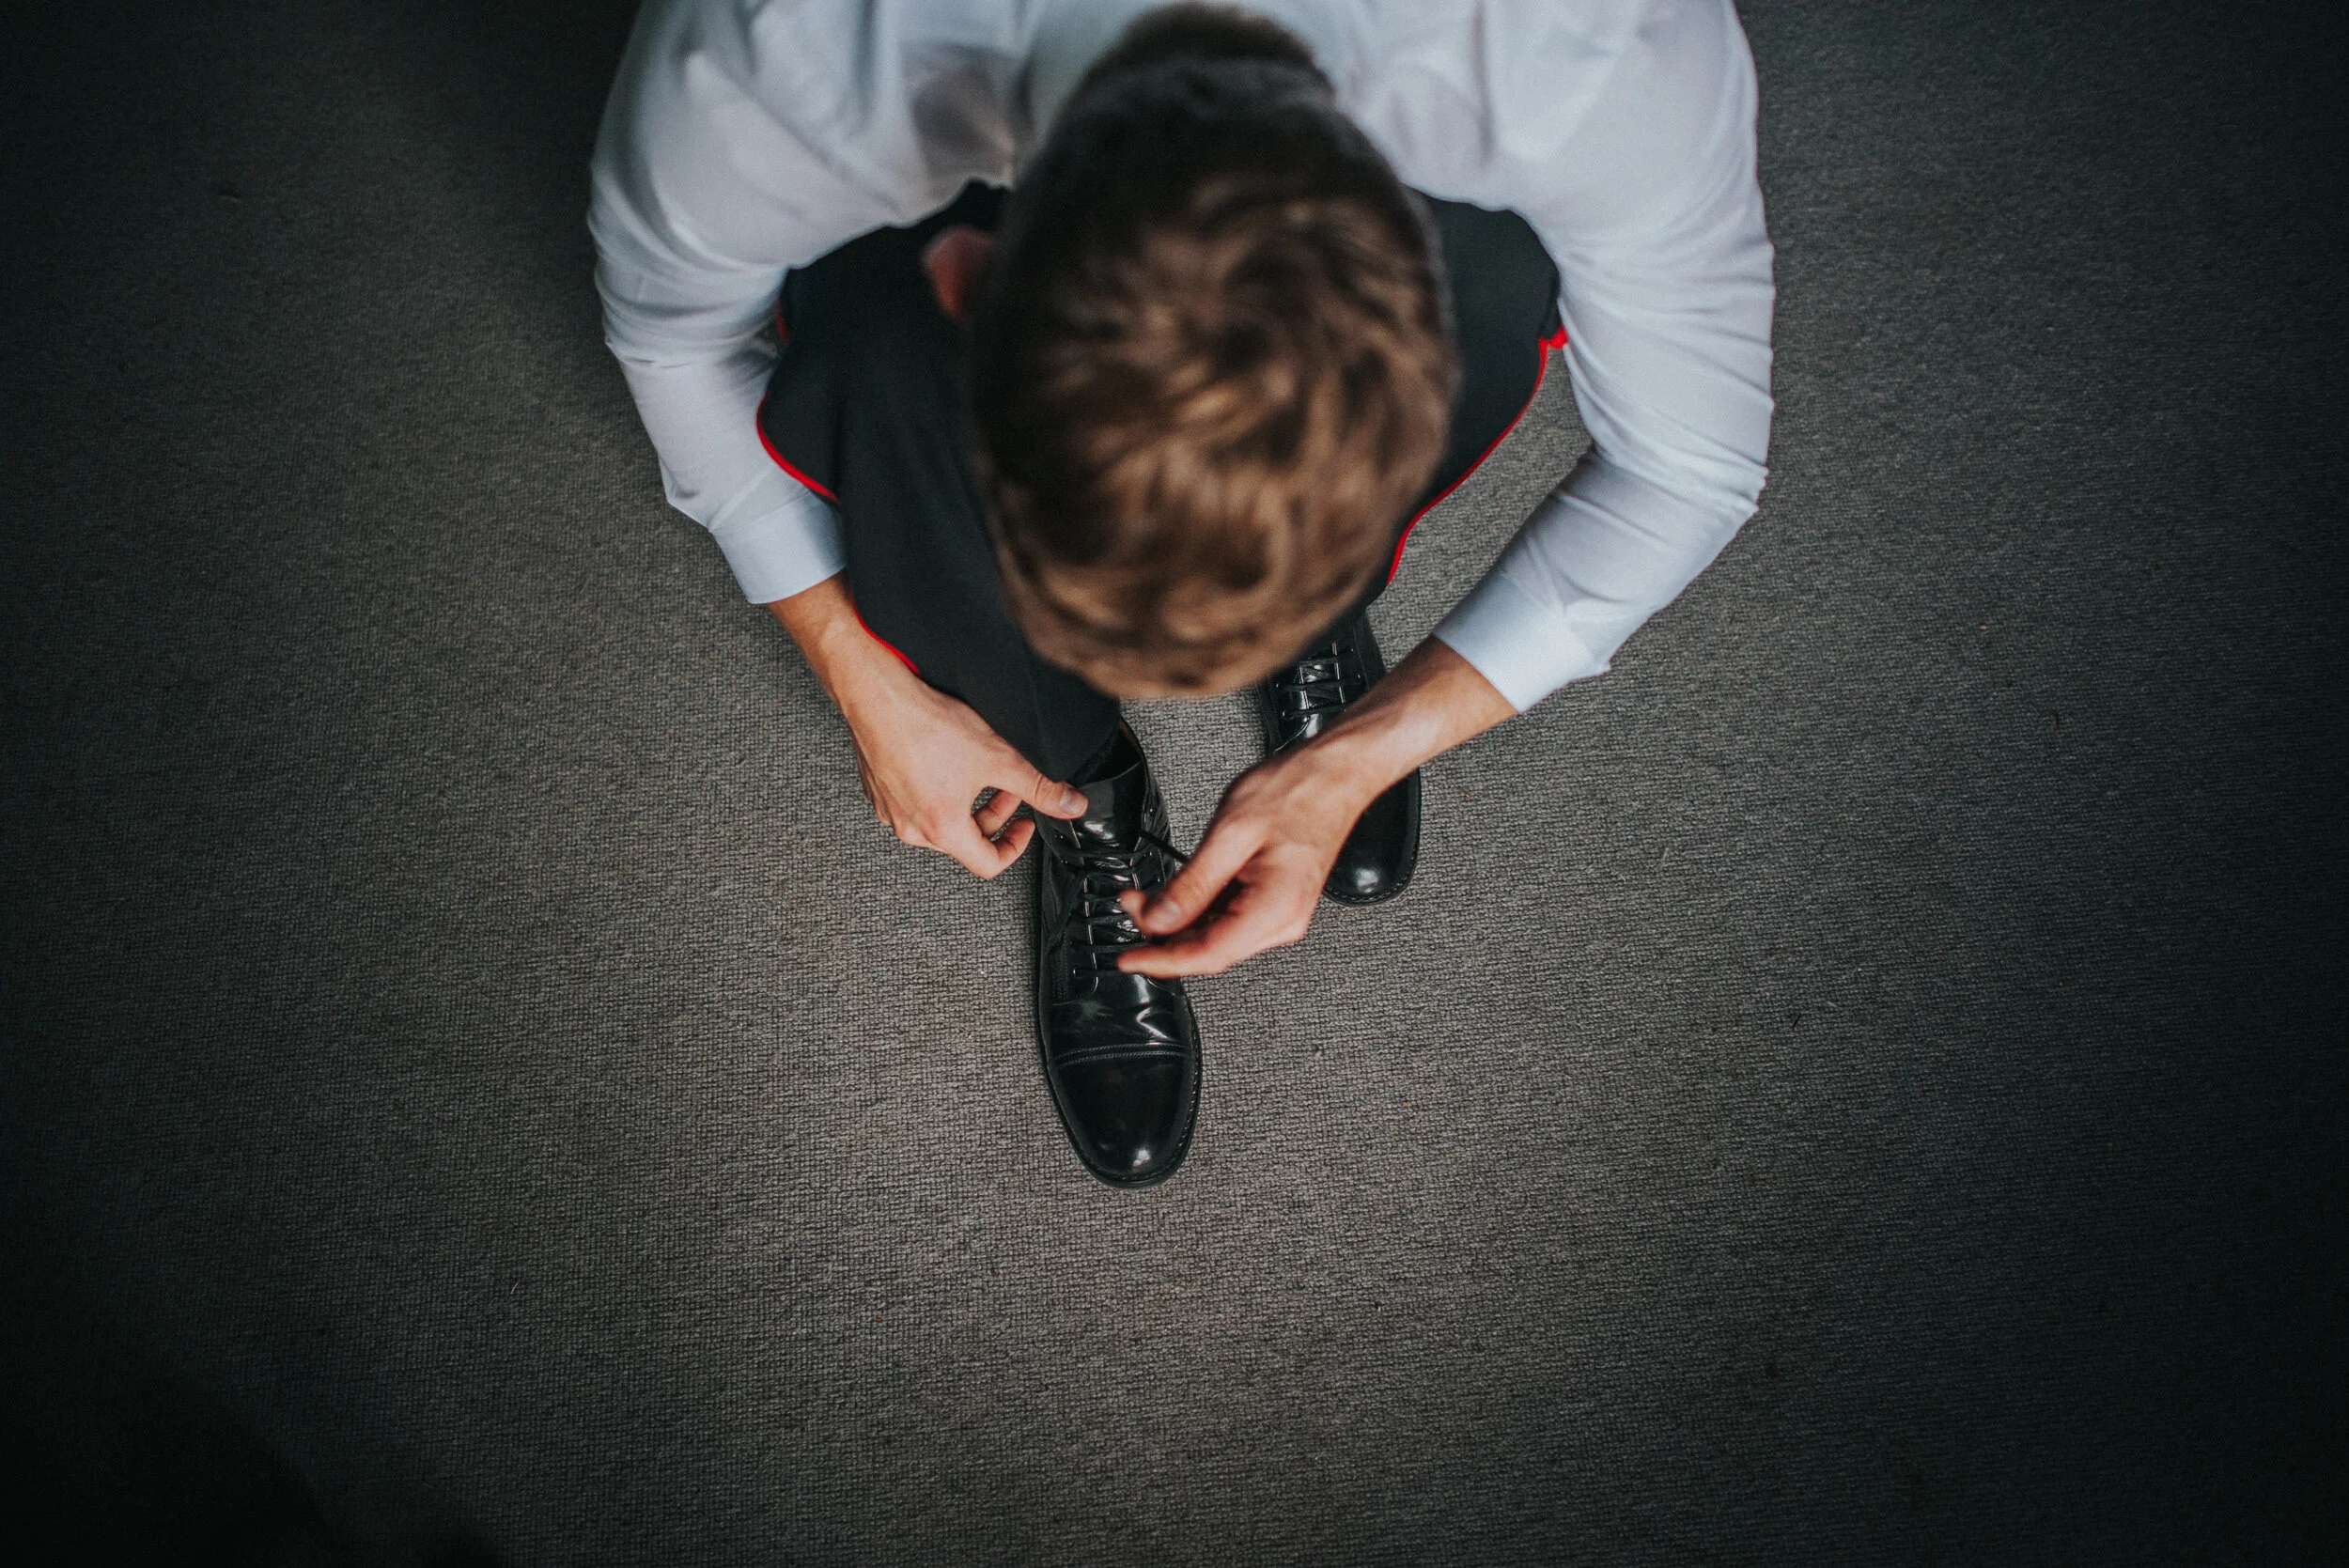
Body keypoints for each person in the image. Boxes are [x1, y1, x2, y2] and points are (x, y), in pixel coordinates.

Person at [590, 0, 1775, 1187]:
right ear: (967, 268)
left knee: (1502, 261)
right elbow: (672, 339)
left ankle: (1294, 596)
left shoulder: (1603, 49)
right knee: (886, 373)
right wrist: (857, 671)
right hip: (904, 218)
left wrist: (1362, 752)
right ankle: (1077, 789)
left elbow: (1689, 469)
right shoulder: (764, 66)